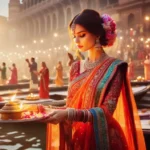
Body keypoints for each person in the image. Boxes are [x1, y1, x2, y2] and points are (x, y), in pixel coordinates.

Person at [43, 9, 145, 150]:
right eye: (74, 37)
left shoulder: (115, 67)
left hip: (105, 138)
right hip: (79, 137)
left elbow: (107, 111)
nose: (76, 41)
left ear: (97, 34)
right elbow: (70, 105)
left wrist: (68, 113)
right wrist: (45, 111)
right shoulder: (75, 67)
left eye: (82, 35)